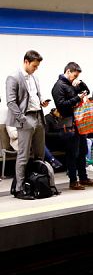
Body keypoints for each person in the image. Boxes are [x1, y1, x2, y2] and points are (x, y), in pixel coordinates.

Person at [5, 50, 51, 199]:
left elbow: (33, 97)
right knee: (23, 156)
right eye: (34, 66)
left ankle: (39, 185)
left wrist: (42, 102)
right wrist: (22, 119)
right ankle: (19, 189)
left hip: (38, 116)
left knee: (40, 154)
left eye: (37, 66)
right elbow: (11, 102)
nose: (35, 68)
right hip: (26, 119)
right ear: (26, 61)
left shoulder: (34, 77)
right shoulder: (13, 77)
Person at [52, 62, 93, 189]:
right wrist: (77, 98)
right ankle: (73, 180)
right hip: (68, 124)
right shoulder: (59, 86)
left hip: (80, 122)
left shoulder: (71, 84)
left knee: (83, 150)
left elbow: (87, 92)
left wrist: (81, 84)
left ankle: (83, 178)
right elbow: (61, 105)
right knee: (72, 153)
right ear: (68, 72)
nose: (75, 78)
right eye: (74, 76)